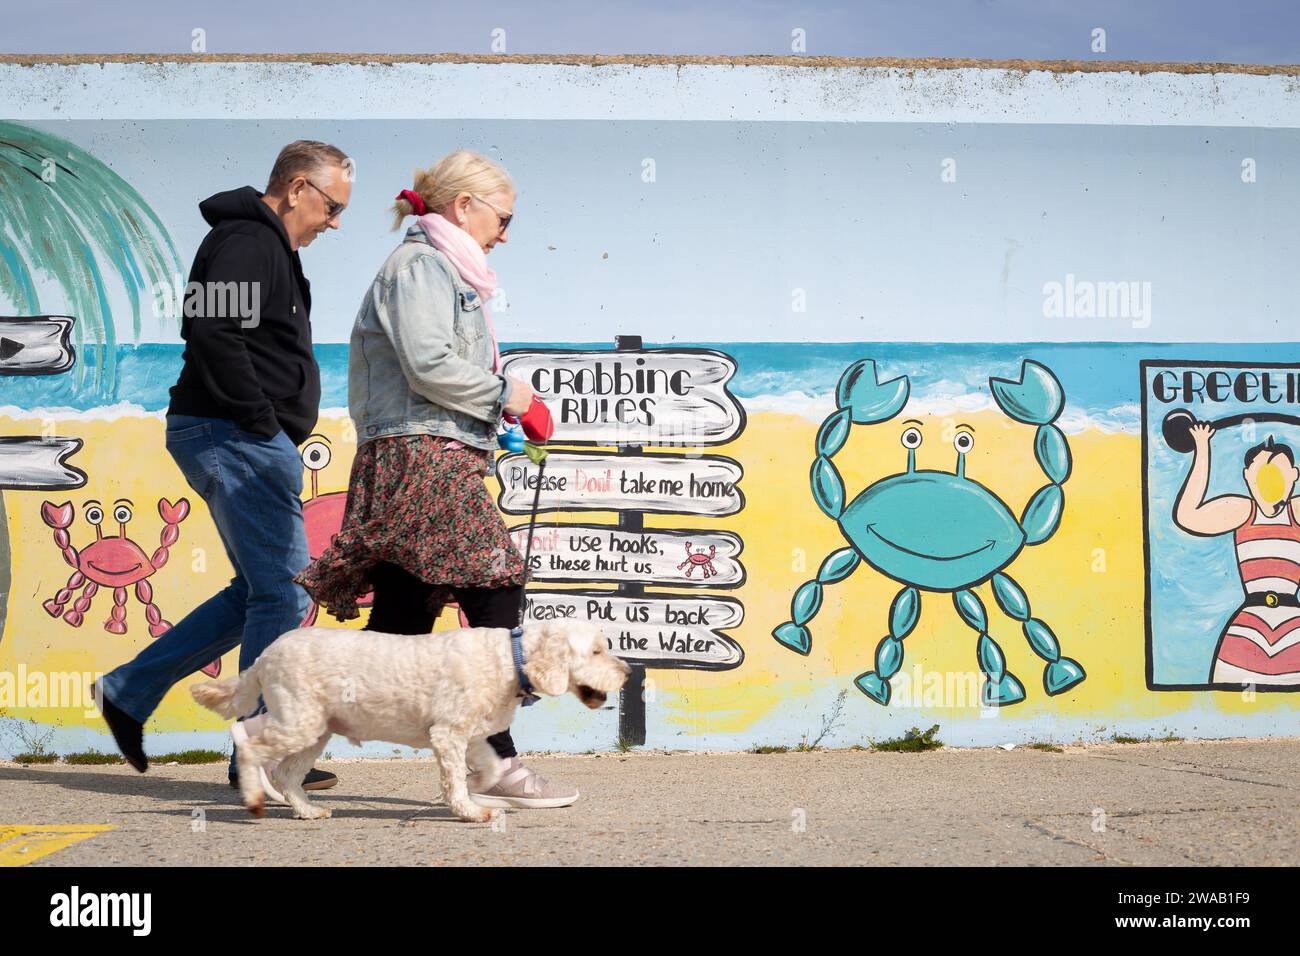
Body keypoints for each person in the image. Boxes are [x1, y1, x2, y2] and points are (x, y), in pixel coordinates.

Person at [292, 148, 579, 809]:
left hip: (423, 453)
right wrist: (513, 397)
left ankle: (278, 729)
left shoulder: (441, 269)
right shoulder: (421, 266)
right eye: (503, 219)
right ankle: (496, 764)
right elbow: (427, 364)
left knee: (402, 618)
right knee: (496, 585)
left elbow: (432, 369)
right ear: (464, 207)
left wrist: (495, 416)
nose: (507, 233)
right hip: (421, 458)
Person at [95, 140, 353, 795]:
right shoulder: (247, 240)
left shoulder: (267, 247)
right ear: (297, 188)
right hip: (233, 434)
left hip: (237, 434)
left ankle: (129, 689)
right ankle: (257, 755)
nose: (334, 221)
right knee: (286, 591)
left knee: (257, 592)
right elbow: (212, 334)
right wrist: (262, 423)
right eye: (331, 205)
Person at [1174, 423, 1300, 684]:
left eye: (1278, 473)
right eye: (1262, 474)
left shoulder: (1296, 511)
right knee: (1228, 693)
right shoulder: (1242, 510)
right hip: (1247, 630)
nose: (1270, 482)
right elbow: (1188, 515)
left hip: (1294, 629)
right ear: (1248, 477)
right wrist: (1202, 448)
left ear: (1294, 476)